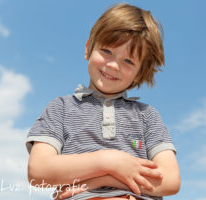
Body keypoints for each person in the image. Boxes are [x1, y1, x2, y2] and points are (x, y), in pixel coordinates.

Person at [26, 3, 180, 200]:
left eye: (128, 61)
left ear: (139, 73)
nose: (113, 65)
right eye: (107, 51)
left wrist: (103, 179)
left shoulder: (147, 115)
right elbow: (38, 172)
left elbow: (170, 180)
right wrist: (108, 161)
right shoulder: (61, 108)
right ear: (88, 48)